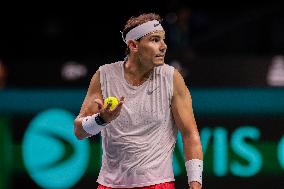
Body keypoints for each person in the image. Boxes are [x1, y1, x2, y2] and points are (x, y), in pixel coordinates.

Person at [74, 12, 203, 189]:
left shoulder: (171, 78)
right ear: (134, 45)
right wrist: (101, 120)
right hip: (110, 185)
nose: (164, 46)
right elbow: (79, 131)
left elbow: (190, 135)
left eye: (163, 40)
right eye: (155, 40)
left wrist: (195, 185)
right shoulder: (104, 75)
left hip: (158, 184)